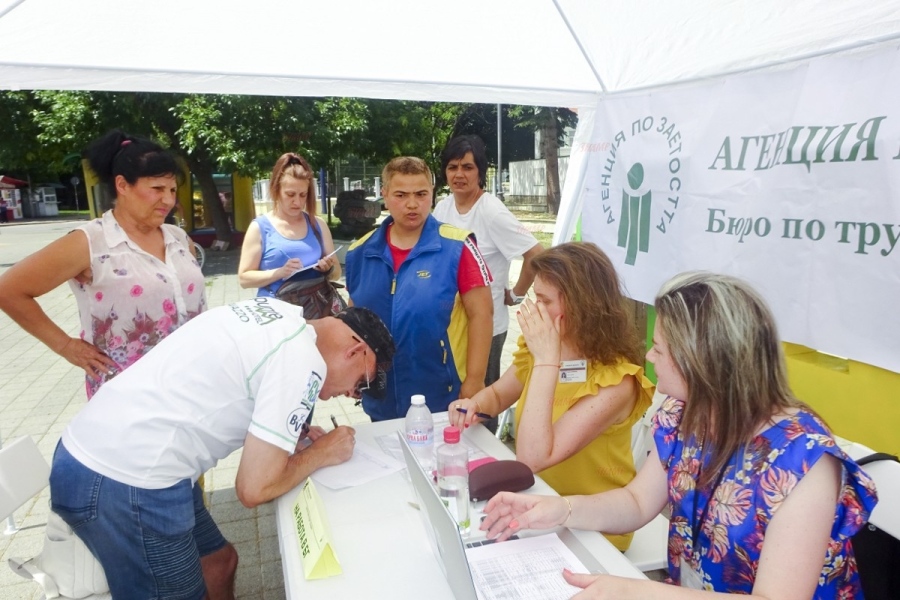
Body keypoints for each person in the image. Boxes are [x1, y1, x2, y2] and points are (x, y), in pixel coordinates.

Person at [480, 272, 878, 597]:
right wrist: (561, 509)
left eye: (659, 349)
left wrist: (636, 592)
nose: (649, 358)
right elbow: (637, 501)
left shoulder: (803, 460)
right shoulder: (683, 413)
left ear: (704, 362)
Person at [49, 298, 395, 599]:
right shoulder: (303, 360)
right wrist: (323, 452)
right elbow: (254, 488)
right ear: (355, 350)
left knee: (219, 563)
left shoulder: (280, 315)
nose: (350, 395)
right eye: (360, 385)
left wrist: (291, 430)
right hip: (124, 477)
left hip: (110, 450)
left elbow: (238, 379)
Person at [450, 242, 653, 551]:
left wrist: (547, 359)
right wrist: (474, 405)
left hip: (592, 528)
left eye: (544, 301)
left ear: (581, 306)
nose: (533, 311)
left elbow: (533, 458)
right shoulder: (537, 350)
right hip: (537, 503)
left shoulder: (617, 381)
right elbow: (497, 395)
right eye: (534, 298)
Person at [0, 130, 205, 398]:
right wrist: (66, 346)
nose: (168, 199)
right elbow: (9, 290)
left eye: (172, 189)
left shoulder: (178, 238)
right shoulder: (91, 242)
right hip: (127, 393)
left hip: (191, 381)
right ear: (122, 185)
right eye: (157, 188)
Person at [344, 156, 493, 421]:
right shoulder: (359, 252)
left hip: (442, 398)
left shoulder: (458, 247)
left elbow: (482, 314)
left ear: (432, 195)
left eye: (421, 194)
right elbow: (353, 321)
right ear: (385, 195)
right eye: (401, 195)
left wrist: (474, 380)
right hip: (381, 399)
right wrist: (351, 371)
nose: (412, 204)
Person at [433, 135, 543, 389]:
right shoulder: (442, 208)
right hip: (450, 322)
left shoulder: (491, 211)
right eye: (452, 167)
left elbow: (535, 253)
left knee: (482, 398)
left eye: (467, 167)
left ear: (480, 172)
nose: (459, 174)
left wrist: (516, 294)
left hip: (486, 326)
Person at [238, 152, 341, 297]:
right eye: (290, 195)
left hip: (314, 311)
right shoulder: (259, 228)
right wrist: (279, 273)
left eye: (303, 195)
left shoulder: (317, 224)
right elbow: (244, 279)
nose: (297, 202)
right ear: (276, 190)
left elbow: (336, 273)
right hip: (275, 313)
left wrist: (328, 269)